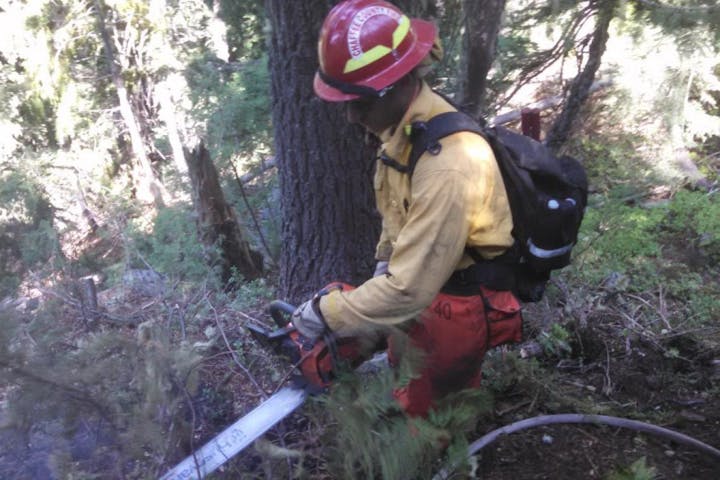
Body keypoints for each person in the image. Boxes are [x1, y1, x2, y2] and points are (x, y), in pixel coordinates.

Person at [291, 0, 523, 417]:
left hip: (459, 303)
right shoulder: (407, 131)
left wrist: (324, 315)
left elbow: (409, 291)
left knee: (429, 412)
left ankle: (432, 453)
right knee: (417, 378)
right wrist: (384, 265)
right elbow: (398, 214)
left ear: (396, 83)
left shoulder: (448, 164)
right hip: (433, 286)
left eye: (360, 103)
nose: (350, 116)